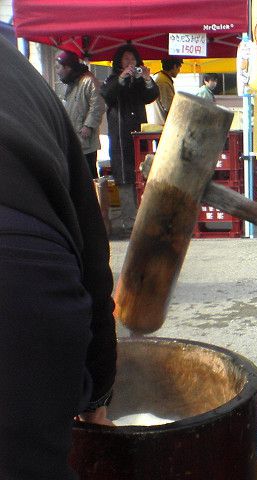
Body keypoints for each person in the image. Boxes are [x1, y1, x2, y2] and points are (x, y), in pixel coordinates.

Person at [0, 35, 117, 478]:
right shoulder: (26, 78)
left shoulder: (82, 87)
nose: (63, 68)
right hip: (23, 269)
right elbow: (91, 250)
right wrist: (98, 390)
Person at [100, 44, 159, 232]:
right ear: (119, 62)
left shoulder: (140, 80)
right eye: (126, 59)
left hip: (139, 134)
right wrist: (122, 77)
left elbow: (151, 96)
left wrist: (148, 79)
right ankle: (129, 220)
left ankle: (144, 217)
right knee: (125, 176)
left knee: (143, 174)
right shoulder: (112, 79)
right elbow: (107, 95)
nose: (130, 63)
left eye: (133, 59)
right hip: (120, 134)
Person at [54, 50, 105, 178]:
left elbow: (98, 105)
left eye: (58, 67)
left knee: (88, 176)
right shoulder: (72, 82)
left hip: (85, 140)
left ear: (68, 67)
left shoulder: (88, 81)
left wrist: (88, 126)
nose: (57, 71)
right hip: (75, 139)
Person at [147, 56, 183, 125]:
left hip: (158, 123)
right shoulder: (163, 81)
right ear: (175, 66)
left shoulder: (160, 77)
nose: (179, 71)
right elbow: (168, 106)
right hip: (162, 124)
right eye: (179, 67)